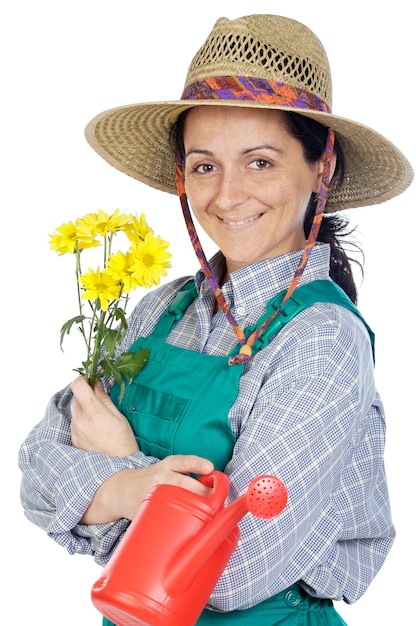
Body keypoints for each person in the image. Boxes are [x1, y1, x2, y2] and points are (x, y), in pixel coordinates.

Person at [18, 13, 413, 626]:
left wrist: (113, 478)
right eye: (204, 165)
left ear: (322, 167)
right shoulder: (159, 310)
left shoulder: (322, 341)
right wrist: (137, 489)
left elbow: (232, 571)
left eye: (259, 162)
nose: (226, 195)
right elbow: (36, 469)